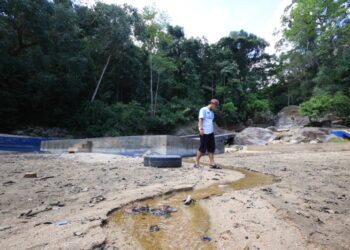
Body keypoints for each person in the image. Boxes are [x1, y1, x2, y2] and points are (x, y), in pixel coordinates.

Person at [194, 99, 221, 169]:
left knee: (211, 148)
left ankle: (212, 163)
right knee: (202, 148)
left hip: (211, 132)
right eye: (215, 106)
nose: (216, 108)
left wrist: (212, 131)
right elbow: (201, 119)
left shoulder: (212, 113)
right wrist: (201, 129)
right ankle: (196, 163)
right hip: (204, 132)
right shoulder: (203, 109)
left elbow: (210, 122)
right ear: (212, 104)